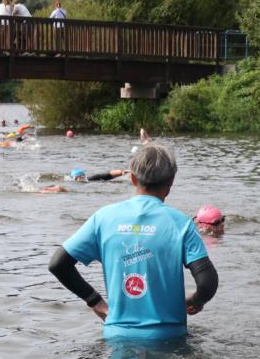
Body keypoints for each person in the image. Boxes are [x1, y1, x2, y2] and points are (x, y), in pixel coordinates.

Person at [48, 145, 219, 339]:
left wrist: (95, 301)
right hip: (169, 338)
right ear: (171, 181)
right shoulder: (181, 224)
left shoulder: (103, 218)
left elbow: (58, 264)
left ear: (133, 178)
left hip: (117, 336)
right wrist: (196, 300)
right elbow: (207, 282)